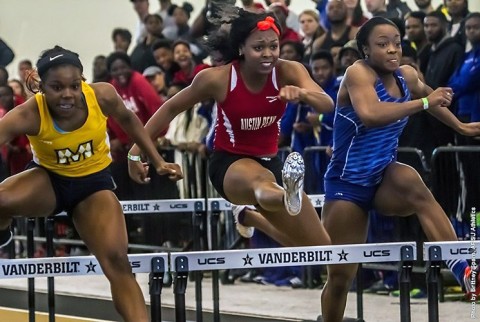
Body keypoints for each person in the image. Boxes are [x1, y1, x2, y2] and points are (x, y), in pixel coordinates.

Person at [0, 45, 182, 322]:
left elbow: (129, 120)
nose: (67, 95)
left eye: (74, 85)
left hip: (93, 185)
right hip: (50, 180)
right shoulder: (29, 114)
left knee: (118, 263)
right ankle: (3, 234)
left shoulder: (101, 95)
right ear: (41, 87)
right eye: (57, 87)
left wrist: (153, 159)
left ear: (83, 81)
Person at [128, 8, 333, 248]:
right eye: (258, 48)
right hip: (230, 163)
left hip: (271, 160)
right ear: (240, 49)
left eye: (273, 46)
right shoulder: (218, 78)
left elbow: (327, 104)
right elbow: (170, 109)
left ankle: (253, 217)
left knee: (321, 248)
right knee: (262, 182)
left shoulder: (289, 70)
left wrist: (303, 93)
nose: (268, 54)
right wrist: (135, 152)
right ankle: (286, 193)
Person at [319, 17, 480, 322]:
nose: (393, 49)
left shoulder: (407, 75)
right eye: (383, 45)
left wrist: (460, 126)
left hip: (383, 178)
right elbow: (370, 114)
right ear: (365, 49)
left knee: (413, 182)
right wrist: (423, 102)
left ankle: (465, 270)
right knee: (340, 279)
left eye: (397, 42)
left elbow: (433, 101)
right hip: (347, 186)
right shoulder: (358, 73)